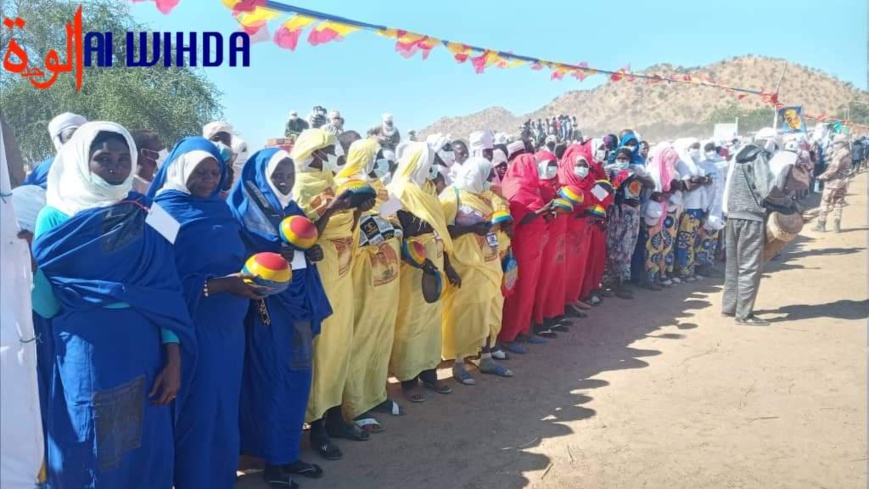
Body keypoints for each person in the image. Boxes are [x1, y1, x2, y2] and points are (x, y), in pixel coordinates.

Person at [31, 121, 193, 488]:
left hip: (144, 350)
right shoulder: (54, 216)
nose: (116, 167)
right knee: (88, 443)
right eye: (103, 158)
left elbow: (165, 288)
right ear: (81, 160)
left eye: (123, 159)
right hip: (86, 351)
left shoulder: (147, 211)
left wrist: (173, 358)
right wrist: (29, 270)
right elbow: (46, 305)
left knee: (142, 443)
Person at [146, 137, 260, 489]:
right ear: (180, 170)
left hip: (230, 327)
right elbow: (159, 277)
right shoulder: (161, 212)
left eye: (215, 171)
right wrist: (220, 286)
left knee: (223, 408)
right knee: (197, 411)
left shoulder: (221, 208)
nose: (210, 178)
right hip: (192, 327)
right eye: (201, 171)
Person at [229, 147, 332, 487]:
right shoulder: (244, 212)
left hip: (299, 302)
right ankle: (272, 461)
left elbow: (306, 245)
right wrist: (268, 251)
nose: (285, 180)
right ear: (261, 176)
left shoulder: (292, 208)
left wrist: (312, 252)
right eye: (277, 175)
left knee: (298, 378)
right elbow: (234, 255)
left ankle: (288, 454)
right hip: (268, 308)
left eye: (289, 174)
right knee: (271, 379)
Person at [291, 129, 373, 459]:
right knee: (323, 349)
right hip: (321, 270)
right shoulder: (298, 185)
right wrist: (336, 205)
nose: (326, 157)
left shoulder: (332, 179)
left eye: (327, 151)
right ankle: (318, 426)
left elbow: (347, 222)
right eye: (321, 151)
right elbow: (306, 234)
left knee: (341, 345)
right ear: (309, 151)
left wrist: (358, 209)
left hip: (344, 268)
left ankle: (337, 415)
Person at [337, 139, 405, 433]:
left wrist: (390, 222)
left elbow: (392, 217)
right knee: (362, 336)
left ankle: (376, 394)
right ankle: (355, 404)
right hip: (362, 273)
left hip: (386, 273)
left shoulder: (380, 186)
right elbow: (343, 231)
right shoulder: (344, 185)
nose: (379, 160)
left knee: (380, 335)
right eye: (374, 156)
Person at [387, 141, 457, 402]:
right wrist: (415, 250)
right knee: (410, 321)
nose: (432, 168)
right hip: (413, 261)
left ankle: (429, 373)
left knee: (431, 321)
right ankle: (407, 379)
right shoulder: (398, 190)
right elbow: (388, 222)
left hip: (435, 258)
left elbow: (439, 226)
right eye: (428, 163)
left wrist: (447, 265)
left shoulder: (428, 190)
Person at [440, 157, 511, 384]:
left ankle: (486, 357)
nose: (491, 180)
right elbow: (444, 230)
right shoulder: (453, 196)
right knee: (464, 314)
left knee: (491, 309)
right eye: (487, 175)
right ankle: (459, 363)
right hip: (466, 263)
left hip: (489, 261)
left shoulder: (488, 196)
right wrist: (471, 228)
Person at [721, 128, 780, 326]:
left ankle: (729, 307)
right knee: (749, 266)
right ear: (769, 142)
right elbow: (767, 189)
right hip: (751, 217)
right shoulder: (758, 156)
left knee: (733, 266)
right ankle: (744, 314)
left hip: (733, 215)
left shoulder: (739, 156)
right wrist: (786, 201)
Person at [498, 154, 553, 354]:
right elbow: (519, 219)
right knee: (519, 289)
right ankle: (508, 335)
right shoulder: (517, 188)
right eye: (534, 165)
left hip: (535, 244)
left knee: (530, 288)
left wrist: (547, 212)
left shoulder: (532, 186)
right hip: (522, 246)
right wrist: (542, 211)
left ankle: (524, 329)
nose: (538, 168)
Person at [532, 149, 569, 337]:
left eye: (555, 164)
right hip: (545, 239)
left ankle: (551, 314)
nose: (553, 169)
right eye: (549, 165)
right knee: (543, 279)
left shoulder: (556, 184)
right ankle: (538, 319)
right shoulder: (538, 186)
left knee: (555, 277)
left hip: (557, 236)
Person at [557, 144, 594, 311]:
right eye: (579, 165)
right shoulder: (562, 182)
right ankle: (563, 301)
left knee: (578, 267)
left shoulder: (590, 183)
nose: (582, 169)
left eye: (585, 165)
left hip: (584, 231)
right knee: (565, 268)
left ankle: (573, 297)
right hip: (567, 232)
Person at [673, 138, 711, 282]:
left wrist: (700, 180)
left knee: (691, 240)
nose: (696, 149)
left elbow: (704, 180)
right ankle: (684, 270)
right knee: (685, 241)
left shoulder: (695, 163)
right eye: (694, 146)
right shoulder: (683, 164)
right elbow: (688, 186)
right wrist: (701, 180)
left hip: (698, 207)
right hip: (689, 207)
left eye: (698, 146)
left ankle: (689, 268)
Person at [24, 112, 88, 189]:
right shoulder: (46, 169)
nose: (76, 140)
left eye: (81, 135)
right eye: (70, 136)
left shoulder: (99, 164)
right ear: (57, 141)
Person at [813, 134, 851, 233]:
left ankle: (821, 224)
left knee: (825, 202)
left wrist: (821, 177)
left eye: (837, 143)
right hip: (843, 181)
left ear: (842, 143)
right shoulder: (847, 152)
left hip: (833, 182)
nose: (835, 145)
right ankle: (837, 225)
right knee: (838, 203)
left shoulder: (840, 154)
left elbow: (833, 169)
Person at [131, 129, 168, 194]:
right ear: (145, 153)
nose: (164, 151)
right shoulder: (130, 188)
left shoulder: (163, 182)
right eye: (159, 148)